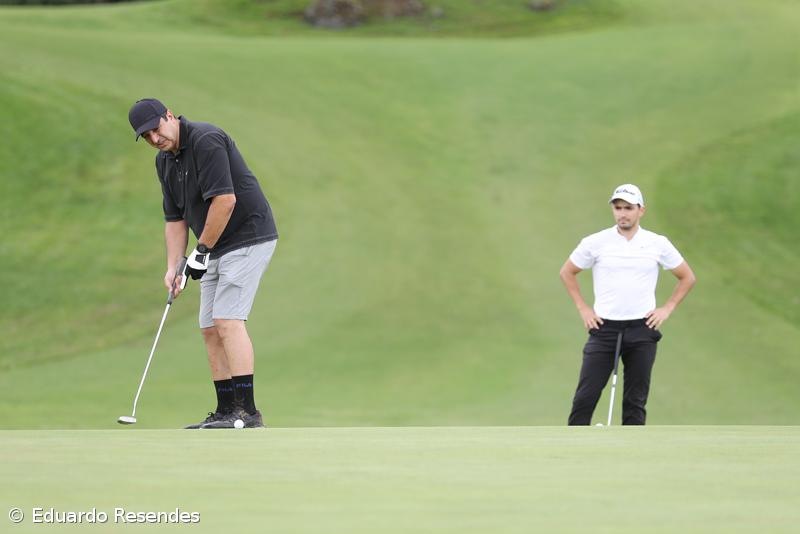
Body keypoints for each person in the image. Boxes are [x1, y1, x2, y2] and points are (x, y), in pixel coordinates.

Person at [128, 98, 278, 429]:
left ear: (169, 116)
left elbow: (225, 201)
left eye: (156, 129)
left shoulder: (206, 140)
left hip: (248, 235)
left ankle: (248, 413)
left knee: (227, 320)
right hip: (214, 244)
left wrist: (201, 250)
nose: (155, 139)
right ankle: (226, 411)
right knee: (209, 328)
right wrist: (174, 267)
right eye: (147, 136)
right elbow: (175, 219)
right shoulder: (164, 162)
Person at [559, 184, 696, 425]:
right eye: (618, 208)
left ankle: (635, 457)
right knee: (585, 397)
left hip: (642, 329)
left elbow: (687, 277)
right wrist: (584, 308)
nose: (623, 213)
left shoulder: (657, 243)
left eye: (628, 208)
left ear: (641, 210)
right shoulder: (596, 242)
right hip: (604, 329)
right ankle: (573, 452)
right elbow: (567, 272)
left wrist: (667, 308)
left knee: (635, 401)